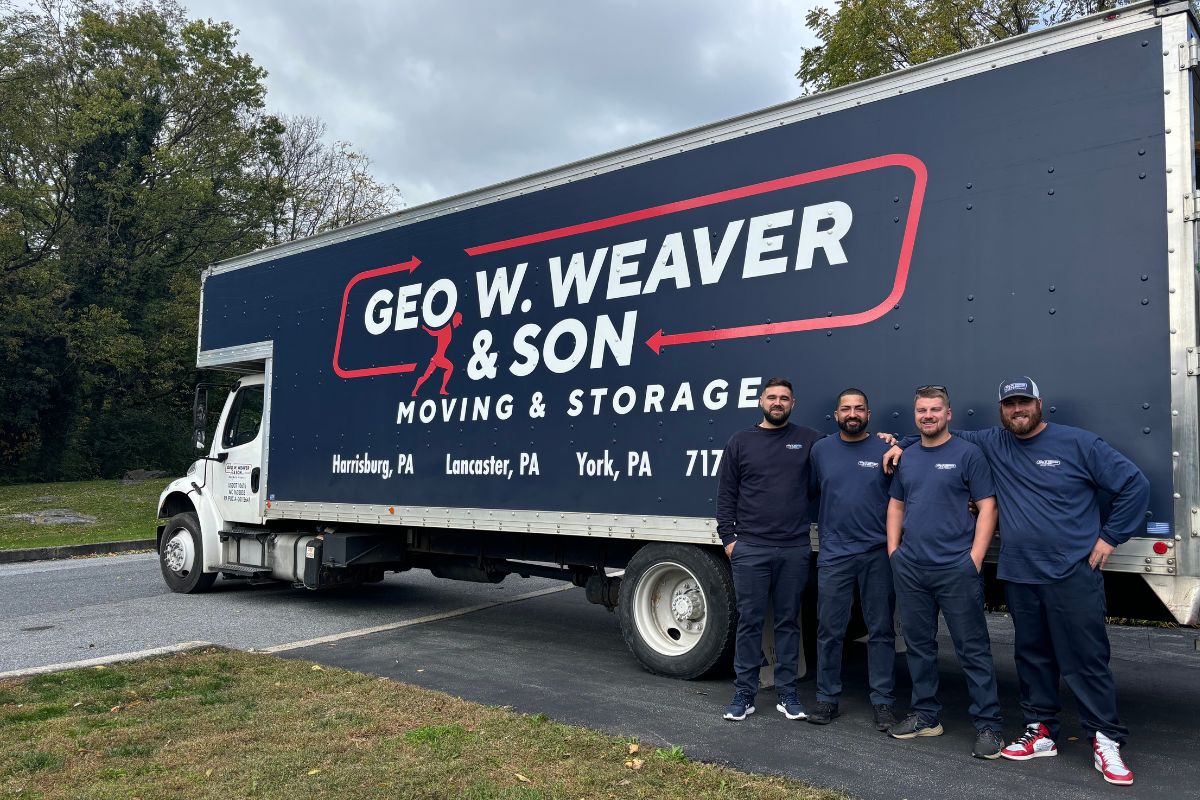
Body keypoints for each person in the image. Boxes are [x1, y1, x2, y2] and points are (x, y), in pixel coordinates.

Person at [887, 377, 1148, 785]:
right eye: (1009, 404)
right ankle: (1041, 730)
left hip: (1071, 572)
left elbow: (1134, 485)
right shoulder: (994, 441)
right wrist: (901, 441)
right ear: (1001, 410)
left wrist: (1109, 537)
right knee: (1032, 656)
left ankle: (1105, 738)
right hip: (1021, 572)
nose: (1017, 410)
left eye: (1024, 402)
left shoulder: (1079, 444)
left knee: (1085, 659)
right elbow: (939, 431)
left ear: (1039, 404)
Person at [886, 385, 1005, 759]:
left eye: (935, 409)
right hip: (912, 568)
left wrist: (973, 558)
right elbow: (895, 505)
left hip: (956, 568)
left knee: (973, 649)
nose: (928, 415)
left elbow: (988, 507)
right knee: (919, 647)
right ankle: (925, 716)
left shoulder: (968, 454)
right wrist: (895, 552)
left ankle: (989, 725)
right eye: (922, 410)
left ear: (948, 414)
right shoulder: (907, 456)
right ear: (915, 414)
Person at [716, 377, 823, 722]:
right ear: (761, 401)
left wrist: (888, 440)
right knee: (750, 622)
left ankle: (787, 694)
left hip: (793, 548)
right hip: (750, 549)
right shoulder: (741, 441)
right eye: (772, 397)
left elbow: (847, 446)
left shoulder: (808, 440)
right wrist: (730, 540)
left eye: (784, 398)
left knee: (789, 622)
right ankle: (744, 694)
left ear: (793, 403)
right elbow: (726, 495)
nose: (778, 402)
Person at [807, 388, 897, 730]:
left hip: (877, 555)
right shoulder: (821, 450)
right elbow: (809, 492)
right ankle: (827, 699)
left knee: (881, 631)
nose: (853, 413)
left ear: (869, 415)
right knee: (830, 630)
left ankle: (883, 703)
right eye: (846, 408)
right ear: (836, 414)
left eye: (859, 408)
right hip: (834, 553)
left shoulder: (886, 448)